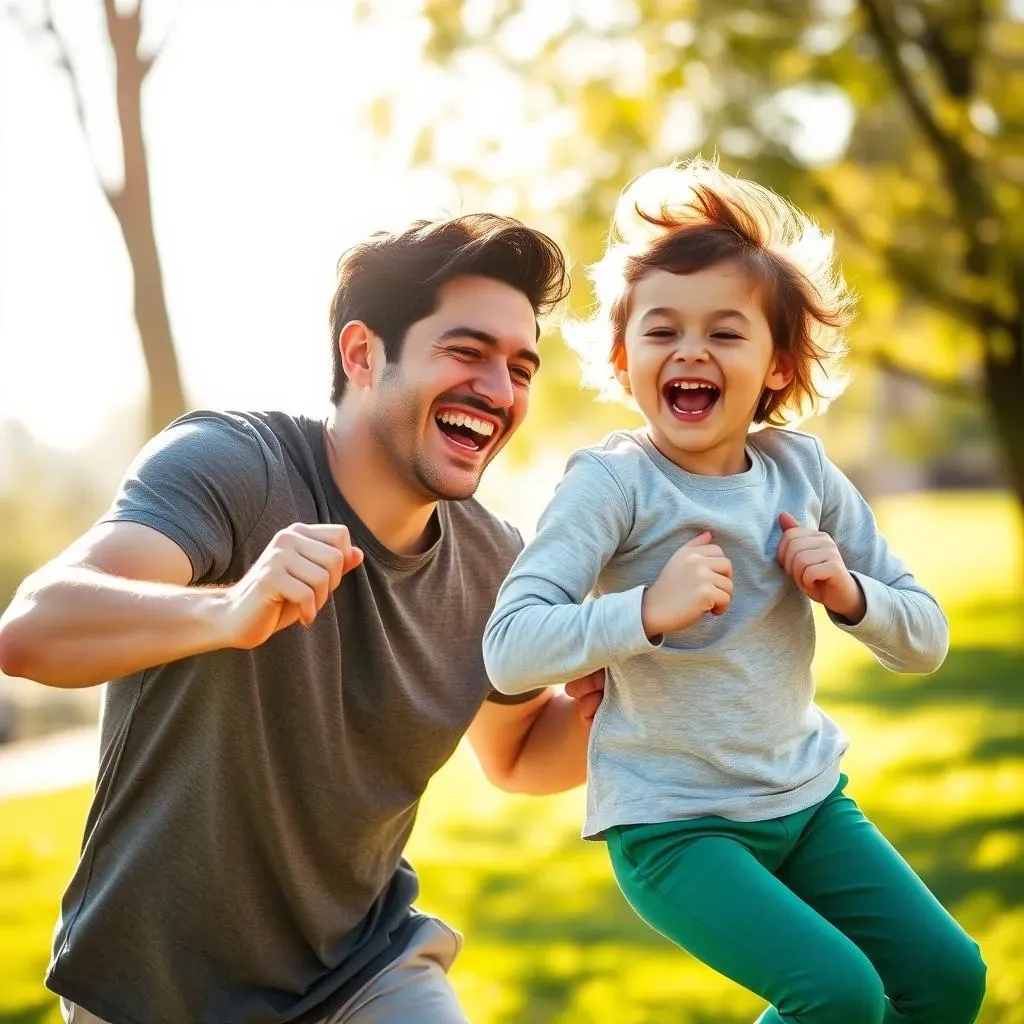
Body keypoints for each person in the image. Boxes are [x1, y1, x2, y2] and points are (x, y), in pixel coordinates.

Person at [0, 214, 604, 1024]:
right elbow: (33, 629)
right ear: (362, 354)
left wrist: (627, 700)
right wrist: (226, 610)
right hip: (153, 991)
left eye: (519, 366)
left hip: (367, 971)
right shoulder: (236, 467)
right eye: (466, 352)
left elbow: (520, 750)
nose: (499, 391)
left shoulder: (493, 563)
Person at [483, 160, 986, 1023]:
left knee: (948, 981)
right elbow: (509, 644)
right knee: (836, 995)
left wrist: (849, 592)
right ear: (623, 354)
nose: (690, 351)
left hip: (807, 800)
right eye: (662, 331)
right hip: (676, 829)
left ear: (778, 364)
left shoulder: (804, 471)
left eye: (725, 332)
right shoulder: (612, 483)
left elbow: (927, 638)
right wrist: (645, 610)